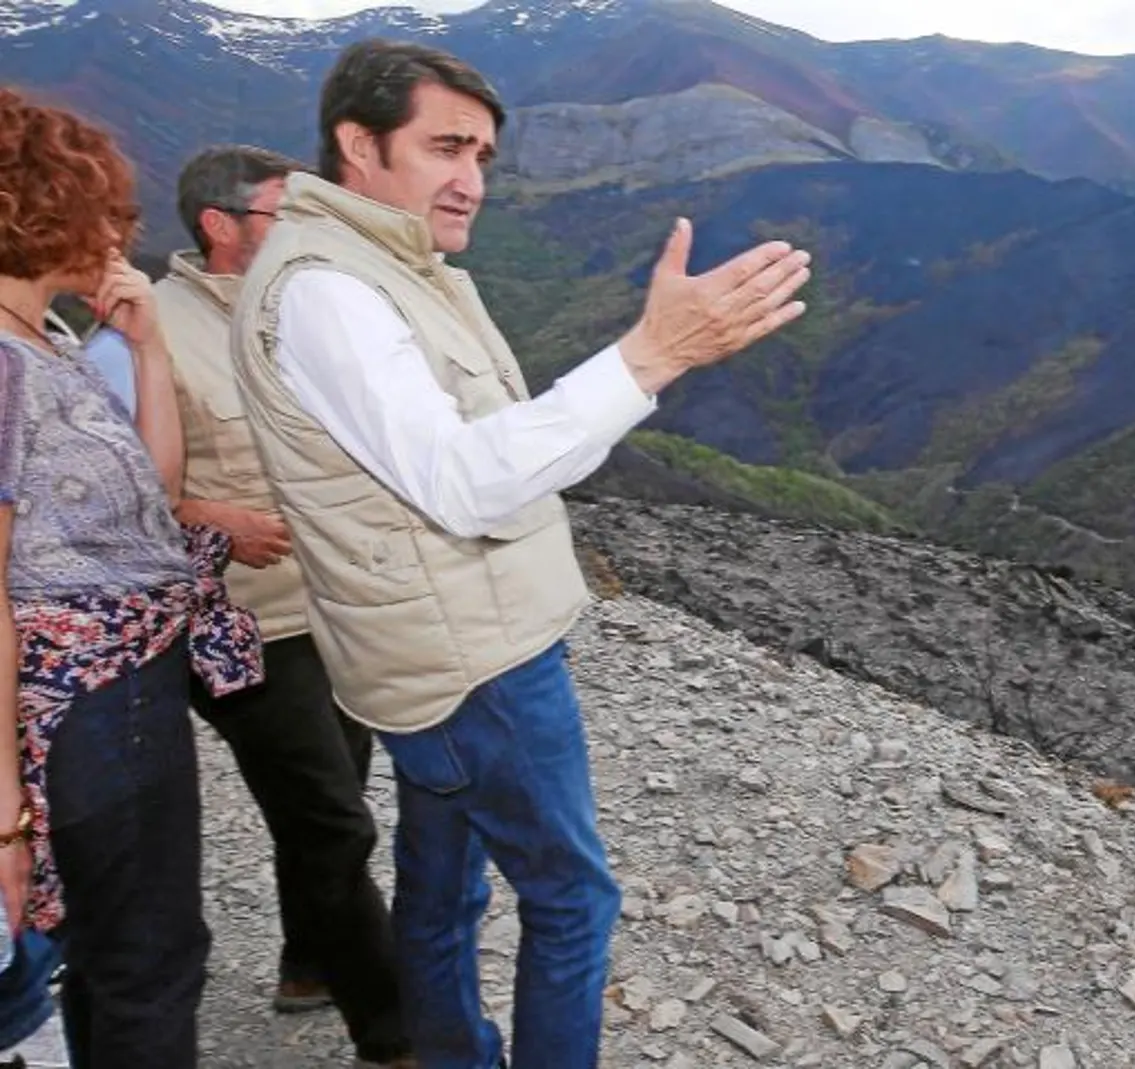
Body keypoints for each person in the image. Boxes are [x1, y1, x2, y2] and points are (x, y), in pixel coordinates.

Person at [227, 37, 810, 1069]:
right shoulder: (329, 292)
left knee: (444, 887)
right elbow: (462, 482)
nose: (472, 180)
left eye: (485, 155)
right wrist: (654, 352)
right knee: (572, 898)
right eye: (446, 146)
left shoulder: (379, 265)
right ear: (358, 144)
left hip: (437, 643)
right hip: (473, 657)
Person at [0, 87, 263, 1067]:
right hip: (88, 704)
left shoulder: (51, 344)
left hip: (125, 691)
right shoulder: (4, 363)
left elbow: (156, 493)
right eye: (103, 208)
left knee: (130, 947)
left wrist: (148, 347)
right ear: (41, 205)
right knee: (144, 956)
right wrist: (6, 822)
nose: (121, 231)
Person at [153, 145, 412, 1067]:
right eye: (282, 217)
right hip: (244, 623)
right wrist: (208, 518)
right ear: (220, 227)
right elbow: (110, 498)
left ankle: (309, 963)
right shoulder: (147, 331)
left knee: (329, 798)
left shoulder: (302, 307)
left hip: (336, 601)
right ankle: (394, 1037)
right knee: (336, 821)